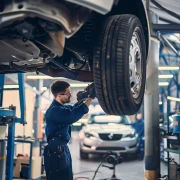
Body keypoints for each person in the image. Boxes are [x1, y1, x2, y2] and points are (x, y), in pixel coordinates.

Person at [43, 81, 96, 180]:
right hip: (56, 151)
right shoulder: (54, 110)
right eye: (68, 93)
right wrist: (90, 98)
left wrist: (82, 98)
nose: (70, 95)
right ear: (59, 95)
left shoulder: (60, 108)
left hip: (61, 149)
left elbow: (73, 109)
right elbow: (72, 116)